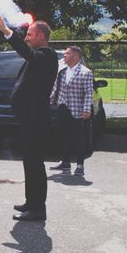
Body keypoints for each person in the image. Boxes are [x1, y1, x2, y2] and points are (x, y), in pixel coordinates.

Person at [0, 14, 58, 221]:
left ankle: (38, 209)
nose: (27, 38)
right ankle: (31, 203)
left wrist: (6, 31)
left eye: (30, 34)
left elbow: (26, 52)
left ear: (40, 35)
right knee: (29, 163)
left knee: (35, 165)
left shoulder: (46, 55)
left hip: (37, 120)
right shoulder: (38, 55)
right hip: (30, 119)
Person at [50, 46, 94, 175]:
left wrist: (86, 110)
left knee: (79, 138)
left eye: (67, 53)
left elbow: (88, 93)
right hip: (63, 107)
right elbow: (56, 87)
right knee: (64, 136)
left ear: (75, 57)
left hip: (77, 109)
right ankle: (65, 162)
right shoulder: (62, 70)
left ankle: (80, 165)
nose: (64, 55)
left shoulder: (85, 72)